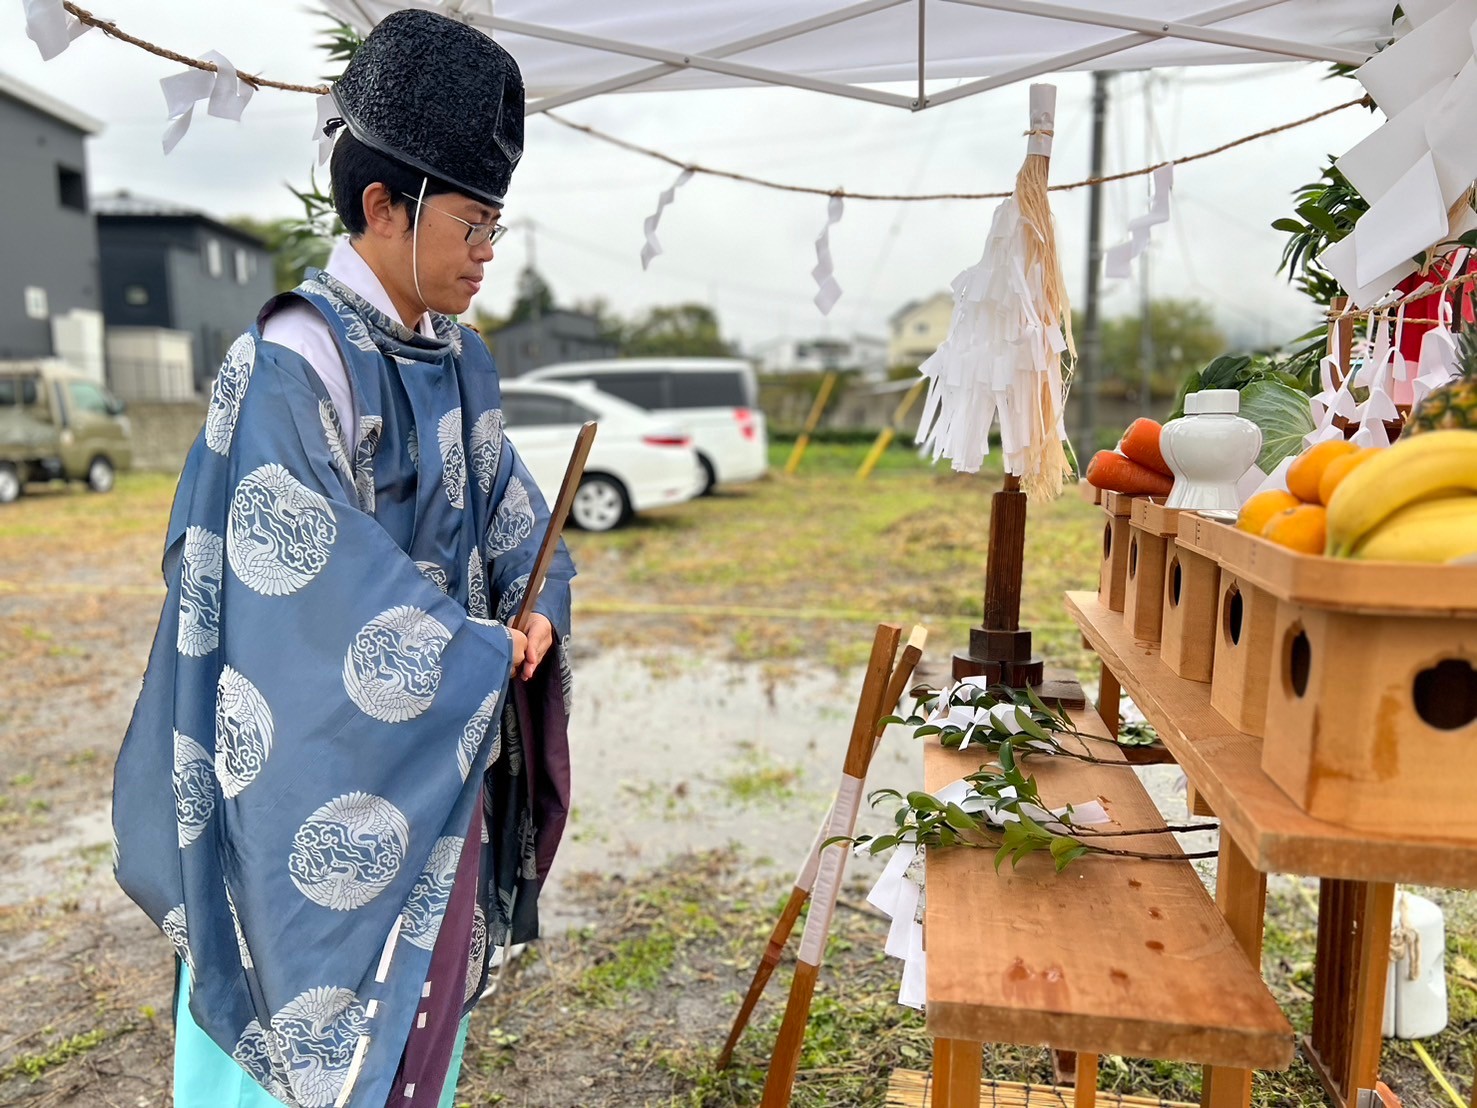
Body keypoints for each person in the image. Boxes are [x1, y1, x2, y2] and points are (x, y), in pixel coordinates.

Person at [111, 11, 574, 1107]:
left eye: (496, 225)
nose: (486, 253)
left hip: (437, 757)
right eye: (472, 223)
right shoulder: (289, 361)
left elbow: (517, 515)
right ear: (382, 206)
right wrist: (469, 654)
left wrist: (538, 598)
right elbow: (305, 601)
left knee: (417, 1039)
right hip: (306, 769)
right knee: (283, 1018)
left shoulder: (460, 361)